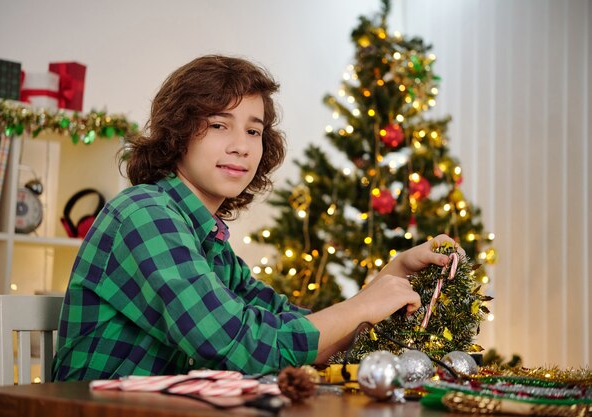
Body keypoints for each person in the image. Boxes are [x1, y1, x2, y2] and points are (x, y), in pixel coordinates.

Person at [52, 55, 458, 381]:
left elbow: (294, 329)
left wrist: (392, 275)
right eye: (217, 125)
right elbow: (237, 346)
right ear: (176, 134)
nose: (241, 147)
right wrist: (364, 306)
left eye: (253, 131)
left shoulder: (208, 241)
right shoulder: (144, 214)